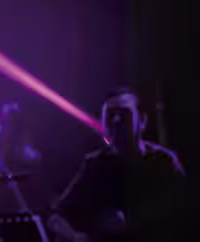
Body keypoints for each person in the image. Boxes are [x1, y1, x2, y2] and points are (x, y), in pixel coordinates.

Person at [48, 87, 186, 242]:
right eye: (110, 115)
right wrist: (76, 237)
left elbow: (186, 211)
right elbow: (56, 217)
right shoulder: (95, 165)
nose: (116, 120)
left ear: (142, 121)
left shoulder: (163, 161)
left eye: (124, 114)